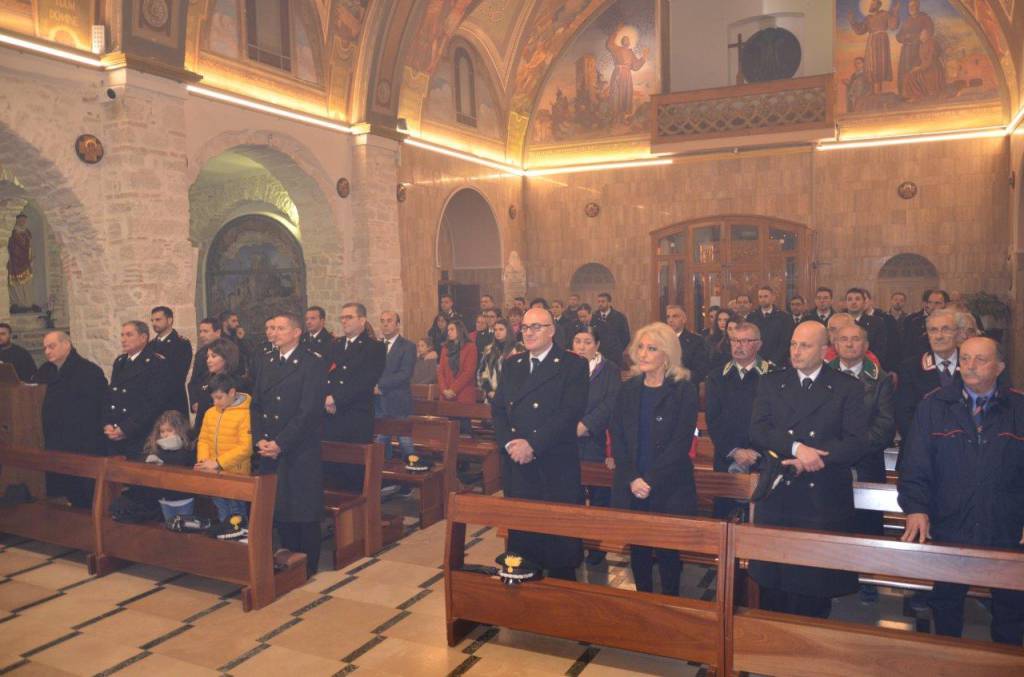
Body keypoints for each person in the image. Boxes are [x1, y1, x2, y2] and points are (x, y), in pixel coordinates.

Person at [899, 337, 1024, 645]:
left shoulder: (1019, 407)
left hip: (1006, 523)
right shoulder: (934, 404)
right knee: (946, 603)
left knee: (1011, 606)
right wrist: (916, 507)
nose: (970, 365)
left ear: (999, 367)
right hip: (950, 520)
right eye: (965, 358)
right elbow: (915, 463)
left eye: (980, 360)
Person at [749, 321, 866, 618]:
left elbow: (855, 442)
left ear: (825, 350)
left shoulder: (846, 387)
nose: (796, 352)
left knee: (813, 584)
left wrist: (813, 459)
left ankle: (808, 653)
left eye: (805, 345)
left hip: (822, 495)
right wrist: (796, 448)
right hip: (779, 490)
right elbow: (759, 430)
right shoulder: (772, 382)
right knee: (774, 583)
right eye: (793, 344)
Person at [492, 307, 589, 579]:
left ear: (552, 330)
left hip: (554, 464)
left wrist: (532, 444)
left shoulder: (573, 364)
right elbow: (498, 409)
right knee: (523, 543)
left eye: (536, 327)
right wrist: (510, 443)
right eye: (525, 327)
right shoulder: (513, 364)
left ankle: (560, 603)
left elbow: (570, 412)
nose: (529, 333)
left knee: (558, 544)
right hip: (519, 466)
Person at [611, 322, 698, 596]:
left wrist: (650, 480)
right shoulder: (628, 388)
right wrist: (632, 478)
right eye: (641, 347)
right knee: (638, 547)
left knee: (668, 550)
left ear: (667, 354)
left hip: (668, 483)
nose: (643, 354)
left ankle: (670, 603)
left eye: (652, 348)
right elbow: (619, 438)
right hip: (633, 481)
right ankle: (643, 600)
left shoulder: (683, 390)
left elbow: (680, 443)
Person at [252, 313, 327, 578]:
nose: (274, 333)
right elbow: (257, 404)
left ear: (296, 333)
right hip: (269, 445)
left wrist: (281, 443)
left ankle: (307, 565)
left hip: (298, 447)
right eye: (272, 328)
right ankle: (287, 558)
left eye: (281, 328)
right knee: (279, 505)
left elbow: (308, 411)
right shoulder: (266, 360)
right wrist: (259, 438)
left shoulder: (311, 363)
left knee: (302, 507)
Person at [828, 322, 895, 602]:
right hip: (831, 462)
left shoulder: (880, 379)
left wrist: (853, 448)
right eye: (844, 339)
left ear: (866, 345)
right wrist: (836, 450)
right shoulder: (824, 374)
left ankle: (868, 578)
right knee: (833, 520)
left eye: (856, 339)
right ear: (836, 345)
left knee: (867, 522)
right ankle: (833, 576)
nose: (850, 344)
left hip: (867, 462)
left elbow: (885, 424)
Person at [705, 322, 772, 517]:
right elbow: (713, 419)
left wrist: (755, 452)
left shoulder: (772, 376)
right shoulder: (717, 376)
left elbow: (775, 421)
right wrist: (734, 451)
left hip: (762, 458)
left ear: (758, 345)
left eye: (745, 341)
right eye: (734, 340)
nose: (738, 345)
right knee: (723, 517)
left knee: (758, 518)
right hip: (726, 457)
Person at [33, 331, 107, 508]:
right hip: (53, 440)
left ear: (66, 345)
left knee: (80, 495)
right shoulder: (45, 370)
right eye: (44, 348)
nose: (47, 351)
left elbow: (98, 407)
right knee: (57, 493)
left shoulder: (88, 371)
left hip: (80, 442)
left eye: (52, 346)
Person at [574, 326, 621, 565]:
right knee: (573, 494)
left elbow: (611, 402)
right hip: (569, 439)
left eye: (587, 342)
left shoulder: (609, 369)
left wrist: (587, 424)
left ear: (597, 345)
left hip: (597, 439)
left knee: (600, 495)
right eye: (578, 341)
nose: (582, 346)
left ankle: (597, 547)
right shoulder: (566, 366)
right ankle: (575, 543)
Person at [104, 321, 174, 458]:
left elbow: (153, 403)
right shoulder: (120, 362)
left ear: (143, 338)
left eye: (129, 335)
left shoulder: (155, 363)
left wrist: (126, 428)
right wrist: (107, 423)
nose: (123, 339)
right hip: (116, 432)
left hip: (139, 433)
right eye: (122, 335)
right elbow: (112, 396)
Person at [195, 373, 252, 532]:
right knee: (221, 511)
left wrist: (219, 463)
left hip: (235, 474)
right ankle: (226, 543)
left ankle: (241, 545)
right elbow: (203, 440)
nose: (215, 402)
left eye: (219, 397)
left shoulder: (246, 413)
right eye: (213, 398)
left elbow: (246, 447)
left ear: (232, 392)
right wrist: (204, 461)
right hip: (213, 472)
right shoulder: (210, 413)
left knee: (236, 515)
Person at [324, 303, 386, 444]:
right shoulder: (334, 344)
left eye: (349, 317)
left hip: (355, 415)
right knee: (330, 462)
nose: (344, 321)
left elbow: (365, 381)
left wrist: (335, 398)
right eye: (342, 318)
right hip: (330, 413)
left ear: (362, 320)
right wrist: (326, 397)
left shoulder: (374, 347)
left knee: (353, 463)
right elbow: (323, 374)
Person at [896, 308, 960, 443]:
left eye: (946, 329)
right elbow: (904, 414)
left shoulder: (973, 364)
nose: (939, 336)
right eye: (933, 330)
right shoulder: (910, 367)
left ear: (957, 333)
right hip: (923, 445)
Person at [374, 311, 416, 461]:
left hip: (398, 400)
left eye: (389, 321)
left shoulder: (407, 346)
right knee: (380, 443)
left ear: (398, 324)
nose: (385, 324)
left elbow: (405, 374)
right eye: (382, 321)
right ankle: (383, 475)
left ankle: (413, 473)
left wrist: (381, 385)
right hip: (378, 402)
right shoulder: (377, 346)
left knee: (405, 443)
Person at [141, 410, 196, 522]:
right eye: (162, 431)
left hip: (184, 496)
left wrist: (164, 458)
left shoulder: (188, 447)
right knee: (169, 528)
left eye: (170, 430)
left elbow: (184, 461)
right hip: (165, 496)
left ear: (180, 430)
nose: (165, 434)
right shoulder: (156, 448)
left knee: (185, 528)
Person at [193, 338, 243, 431]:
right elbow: (201, 414)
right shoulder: (206, 379)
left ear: (226, 358)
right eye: (207, 357)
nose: (209, 360)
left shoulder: (236, 383)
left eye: (214, 356)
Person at [150, 306, 192, 415]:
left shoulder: (181, 343)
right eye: (152, 320)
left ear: (169, 320)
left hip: (173, 401)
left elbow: (178, 375)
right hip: (153, 404)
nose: (154, 323)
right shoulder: (150, 345)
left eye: (158, 320)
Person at [477, 318, 522, 404]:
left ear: (508, 331)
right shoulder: (489, 350)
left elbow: (522, 374)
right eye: (495, 330)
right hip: (492, 396)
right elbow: (481, 372)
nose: (497, 332)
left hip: (513, 397)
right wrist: (489, 391)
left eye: (501, 329)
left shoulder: (518, 348)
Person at [664, 305, 710, 386]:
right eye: (668, 317)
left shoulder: (696, 341)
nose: (670, 320)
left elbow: (701, 372)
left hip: (685, 388)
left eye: (675, 316)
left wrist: (683, 373)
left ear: (684, 319)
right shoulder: (661, 340)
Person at [438, 320, 479, 408]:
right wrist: (444, 390)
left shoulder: (470, 347)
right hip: (446, 395)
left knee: (462, 421)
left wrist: (453, 390)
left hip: (463, 394)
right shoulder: (445, 348)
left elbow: (468, 372)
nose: (449, 332)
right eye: (448, 330)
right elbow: (440, 372)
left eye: (452, 329)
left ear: (460, 330)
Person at [846, 288, 888, 369]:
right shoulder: (838, 322)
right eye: (850, 299)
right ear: (846, 303)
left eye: (857, 299)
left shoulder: (877, 322)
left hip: (868, 366)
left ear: (864, 302)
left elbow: (880, 349)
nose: (853, 302)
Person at [749, 285, 792, 366]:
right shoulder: (751, 317)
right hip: (756, 362)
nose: (762, 299)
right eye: (760, 297)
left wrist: (773, 361)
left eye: (766, 296)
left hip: (778, 363)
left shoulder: (784, 317)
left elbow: (785, 342)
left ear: (773, 297)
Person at [188, 317, 221, 416]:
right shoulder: (200, 354)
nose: (201, 335)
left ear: (218, 332)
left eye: (206, 331)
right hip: (203, 404)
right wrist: (194, 401)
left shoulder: (228, 350)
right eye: (200, 331)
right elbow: (194, 381)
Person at [904, 289, 948, 358]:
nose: (932, 306)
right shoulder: (915, 322)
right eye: (930, 302)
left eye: (937, 303)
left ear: (945, 304)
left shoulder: (952, 323)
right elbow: (908, 349)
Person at [595, 292, 630, 365]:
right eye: (598, 301)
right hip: (598, 355)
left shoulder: (619, 317)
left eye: (603, 301)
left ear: (609, 302)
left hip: (615, 356)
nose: (600, 304)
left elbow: (626, 336)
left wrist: (618, 349)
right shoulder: (594, 317)